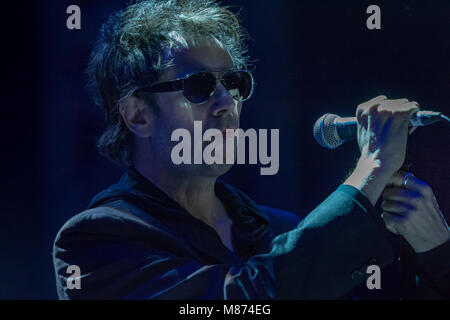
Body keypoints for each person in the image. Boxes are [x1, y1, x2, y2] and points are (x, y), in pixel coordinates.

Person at [53, 0, 450, 299]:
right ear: (137, 115)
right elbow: (242, 299)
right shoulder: (96, 240)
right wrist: (373, 168)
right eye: (200, 86)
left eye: (235, 83)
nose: (227, 103)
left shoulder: (281, 229)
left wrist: (435, 250)